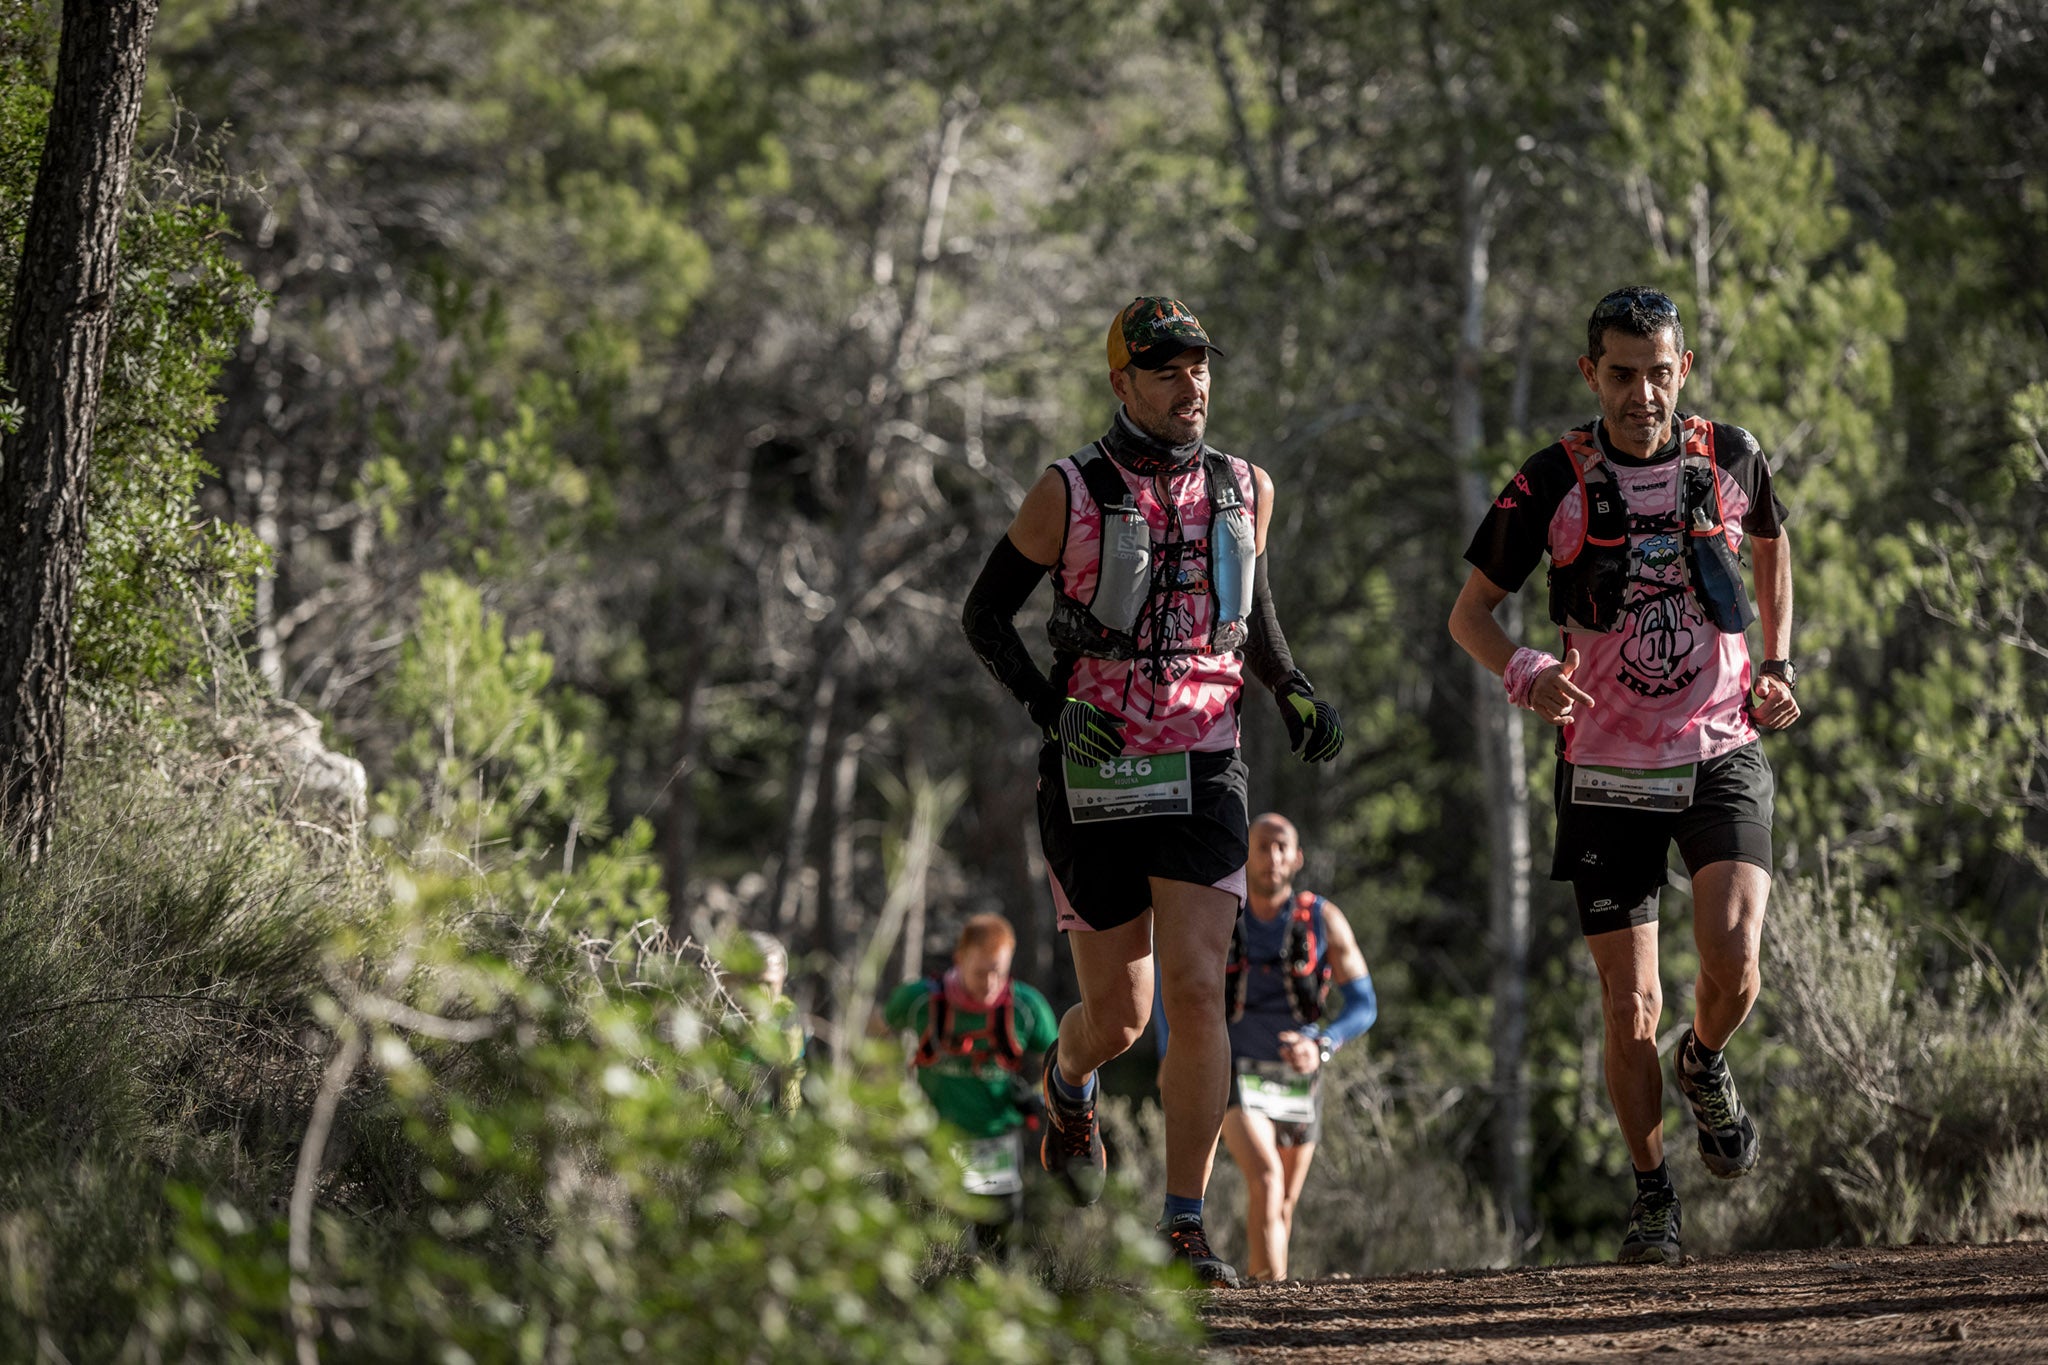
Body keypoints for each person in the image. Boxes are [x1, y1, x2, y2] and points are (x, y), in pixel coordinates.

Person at [961, 296, 1345, 1289]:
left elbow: (1252, 616)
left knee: (1192, 990)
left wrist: (1292, 688)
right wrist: (1052, 711)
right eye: (1165, 369)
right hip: (1091, 772)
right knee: (1119, 1016)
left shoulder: (1243, 486)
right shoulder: (1068, 490)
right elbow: (985, 616)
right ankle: (1068, 1082)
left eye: (1199, 367)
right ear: (1121, 382)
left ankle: (1183, 1223)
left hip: (1204, 768)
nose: (1191, 385)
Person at [1448, 286, 1801, 1265]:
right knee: (1627, 1004)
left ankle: (1703, 1061)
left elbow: (1770, 545)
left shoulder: (1729, 455)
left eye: (1656, 372)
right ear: (1588, 374)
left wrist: (1776, 663)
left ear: (1680, 369)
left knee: (1732, 960)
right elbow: (1467, 614)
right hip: (1604, 769)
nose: (1639, 393)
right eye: (1619, 374)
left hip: (1720, 745)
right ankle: (1652, 1196)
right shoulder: (1548, 482)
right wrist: (1524, 671)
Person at [883, 914, 1059, 1258]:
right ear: (959, 959)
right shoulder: (919, 1000)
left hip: (993, 1141)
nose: (991, 983)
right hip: (933, 1140)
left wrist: (1038, 1095)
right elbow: (877, 1029)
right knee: (927, 1248)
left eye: (1000, 972)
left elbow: (1059, 1061)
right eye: (981, 972)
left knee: (997, 1251)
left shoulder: (1027, 1009)